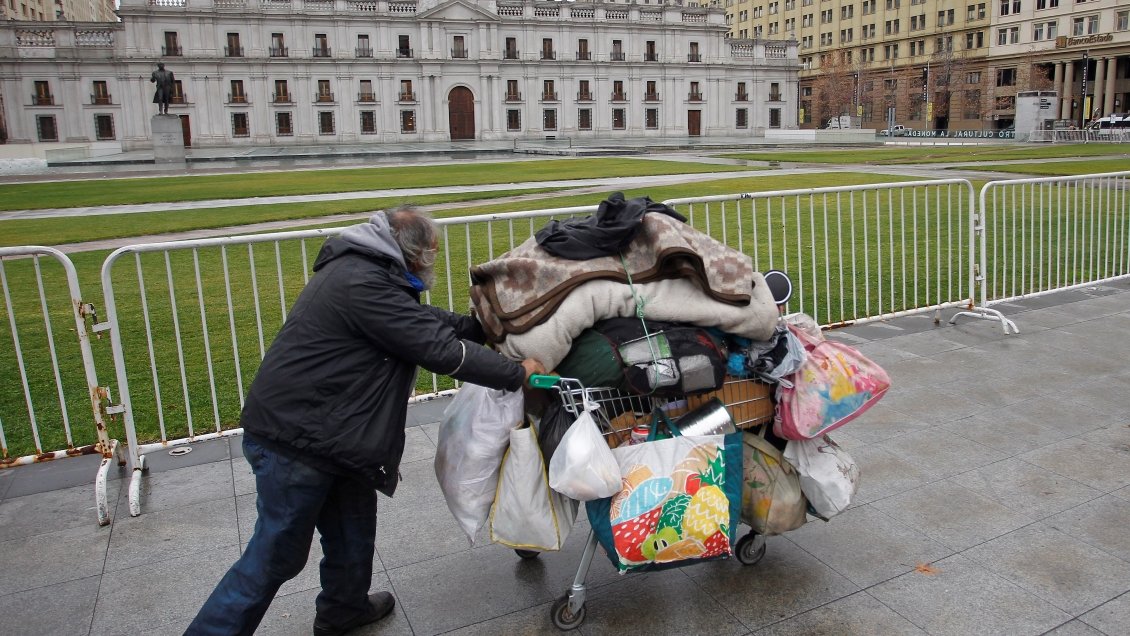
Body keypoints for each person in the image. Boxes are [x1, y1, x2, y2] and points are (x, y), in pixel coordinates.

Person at [186, 207, 545, 636]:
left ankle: (343, 609)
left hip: (333, 435)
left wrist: (475, 327)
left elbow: (418, 321)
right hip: (297, 438)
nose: (430, 263)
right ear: (408, 251)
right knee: (276, 554)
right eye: (429, 255)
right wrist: (516, 372)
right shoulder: (362, 282)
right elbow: (437, 350)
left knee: (353, 531)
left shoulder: (367, 271)